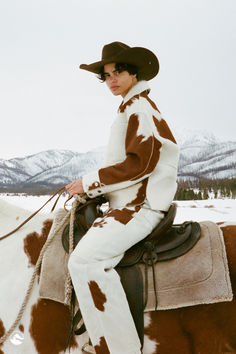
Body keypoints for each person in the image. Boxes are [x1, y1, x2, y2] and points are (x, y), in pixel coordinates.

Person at [66, 41, 179, 354]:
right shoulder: (131, 107)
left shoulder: (139, 110)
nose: (111, 79)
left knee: (84, 261)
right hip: (128, 204)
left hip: (138, 208)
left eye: (118, 72)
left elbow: (139, 164)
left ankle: (121, 348)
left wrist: (89, 183)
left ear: (134, 73)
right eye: (106, 75)